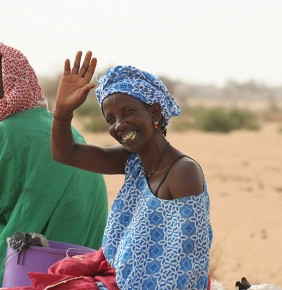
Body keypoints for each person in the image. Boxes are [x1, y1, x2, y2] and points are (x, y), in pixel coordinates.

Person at [49, 50, 213, 290]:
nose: (119, 125)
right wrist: (63, 113)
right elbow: (65, 153)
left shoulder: (182, 172)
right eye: (110, 119)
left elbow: (186, 263)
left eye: (128, 112)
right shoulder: (133, 161)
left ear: (155, 112)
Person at [0, 43, 108, 287]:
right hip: (80, 270)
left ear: (17, 88)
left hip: (22, 272)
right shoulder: (69, 134)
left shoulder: (3, 132)